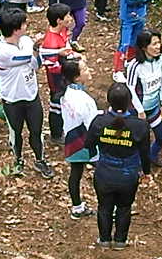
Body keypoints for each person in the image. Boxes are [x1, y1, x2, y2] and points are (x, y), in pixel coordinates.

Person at [85, 82, 151, 250]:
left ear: (109, 100)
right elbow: (145, 153)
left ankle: (104, 240)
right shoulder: (140, 126)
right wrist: (146, 172)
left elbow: (88, 144)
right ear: (129, 102)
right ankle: (120, 241)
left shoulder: (100, 122)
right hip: (128, 176)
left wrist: (95, 159)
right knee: (124, 207)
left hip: (104, 173)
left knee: (104, 207)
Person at [0, 8, 54, 178]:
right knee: (16, 132)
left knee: (36, 131)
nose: (27, 25)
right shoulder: (2, 51)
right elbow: (27, 58)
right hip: (12, 99)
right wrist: (40, 49)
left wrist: (36, 50)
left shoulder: (26, 41)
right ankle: (18, 159)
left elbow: (35, 65)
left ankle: (40, 160)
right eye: (23, 23)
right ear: (15, 29)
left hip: (31, 95)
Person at [126, 30, 162, 167]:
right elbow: (130, 88)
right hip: (137, 111)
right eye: (154, 44)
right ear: (144, 47)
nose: (158, 47)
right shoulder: (135, 65)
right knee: (137, 141)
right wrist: (140, 110)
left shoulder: (161, 59)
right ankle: (137, 166)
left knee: (161, 137)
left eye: (158, 43)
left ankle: (152, 157)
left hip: (154, 108)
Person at [61, 58, 99, 219]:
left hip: (72, 140)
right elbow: (93, 125)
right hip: (86, 140)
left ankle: (77, 207)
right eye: (85, 69)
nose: (89, 70)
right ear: (77, 77)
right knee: (102, 170)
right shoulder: (84, 100)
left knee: (76, 172)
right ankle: (107, 205)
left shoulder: (68, 93)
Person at [40, 3, 76, 144]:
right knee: (57, 106)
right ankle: (56, 134)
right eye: (67, 16)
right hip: (57, 80)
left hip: (64, 75)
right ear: (59, 20)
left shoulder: (62, 31)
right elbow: (52, 67)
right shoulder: (50, 41)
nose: (70, 18)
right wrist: (70, 67)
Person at [113, 0, 154, 75]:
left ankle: (130, 62)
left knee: (135, 41)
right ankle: (118, 70)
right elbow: (130, 0)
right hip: (128, 16)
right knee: (124, 43)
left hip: (141, 15)